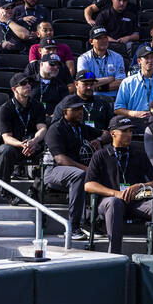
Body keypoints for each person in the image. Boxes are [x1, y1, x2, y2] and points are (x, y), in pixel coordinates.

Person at [85, 115, 153, 253]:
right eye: (124, 131)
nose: (129, 134)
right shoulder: (100, 155)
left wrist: (139, 186)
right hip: (109, 202)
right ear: (113, 133)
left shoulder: (139, 153)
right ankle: (114, 254)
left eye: (130, 131)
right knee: (115, 203)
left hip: (135, 202)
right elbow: (88, 185)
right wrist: (116, 193)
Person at [43, 94, 104, 237]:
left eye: (81, 109)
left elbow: (106, 134)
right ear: (65, 112)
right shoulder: (55, 129)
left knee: (102, 172)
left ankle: (92, 222)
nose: (80, 112)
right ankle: (74, 227)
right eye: (75, 109)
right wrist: (87, 170)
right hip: (53, 170)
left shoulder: (81, 127)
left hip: (75, 170)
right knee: (80, 175)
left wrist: (99, 140)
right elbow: (60, 159)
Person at [0, 73, 49, 203]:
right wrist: (23, 144)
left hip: (34, 146)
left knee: (51, 155)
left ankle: (34, 190)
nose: (28, 86)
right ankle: (5, 191)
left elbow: (42, 128)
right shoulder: (5, 108)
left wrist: (33, 141)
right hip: (15, 147)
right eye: (23, 84)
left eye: (29, 83)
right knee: (5, 150)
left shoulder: (37, 105)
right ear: (14, 89)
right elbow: (6, 137)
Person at [114, 45, 153, 120]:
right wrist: (134, 114)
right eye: (146, 58)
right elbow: (117, 109)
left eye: (152, 57)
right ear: (139, 61)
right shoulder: (127, 82)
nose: (150, 60)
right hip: (134, 123)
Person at [76, 26, 126, 93]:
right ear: (91, 41)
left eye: (105, 37)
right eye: (99, 38)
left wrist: (98, 88)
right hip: (92, 98)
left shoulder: (118, 57)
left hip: (114, 98)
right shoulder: (83, 59)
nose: (104, 40)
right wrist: (110, 79)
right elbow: (86, 82)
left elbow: (120, 82)